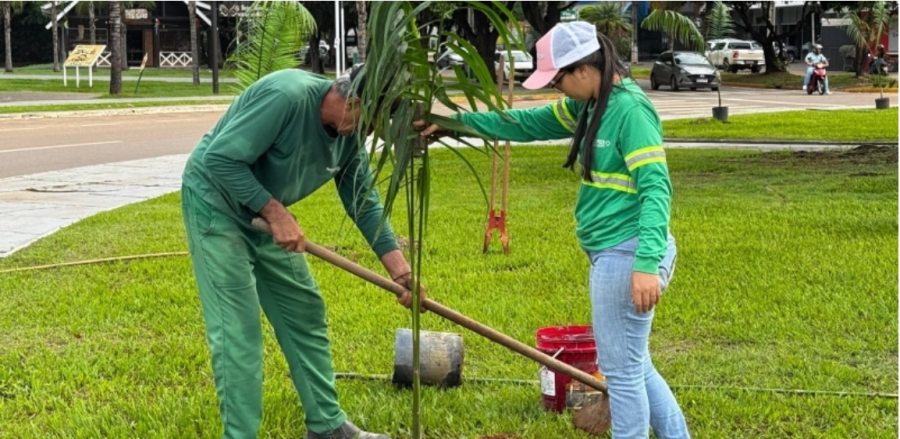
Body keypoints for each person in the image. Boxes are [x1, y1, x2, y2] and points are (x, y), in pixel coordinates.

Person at [418, 21, 690, 439]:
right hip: (612, 252)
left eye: (558, 80)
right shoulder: (590, 105)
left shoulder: (630, 111)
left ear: (583, 70)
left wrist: (646, 263)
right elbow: (524, 124)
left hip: (627, 252)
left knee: (621, 373)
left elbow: (657, 189)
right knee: (636, 365)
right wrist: (457, 122)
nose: (558, 89)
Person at [181, 65, 425, 439]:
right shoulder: (287, 96)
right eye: (373, 121)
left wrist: (401, 272)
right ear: (354, 101)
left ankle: (327, 427)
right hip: (217, 206)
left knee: (304, 311)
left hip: (267, 216)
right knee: (238, 330)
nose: (371, 132)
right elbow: (219, 159)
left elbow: (361, 198)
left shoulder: (349, 133)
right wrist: (275, 212)